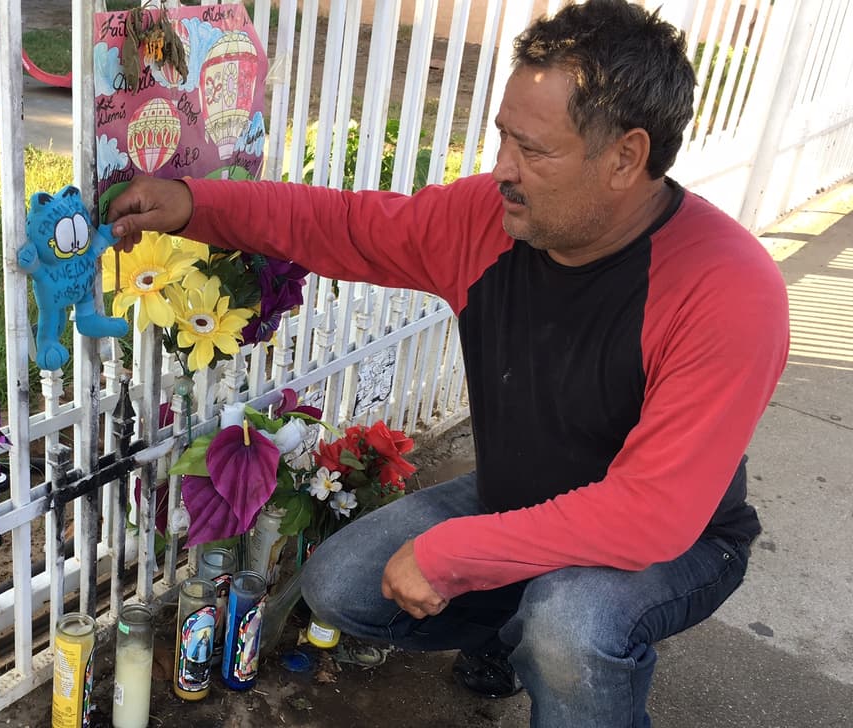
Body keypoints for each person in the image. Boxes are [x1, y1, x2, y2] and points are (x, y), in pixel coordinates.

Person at [105, 0, 789, 724]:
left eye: (535, 151)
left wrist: (459, 554)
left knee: (570, 627)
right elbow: (344, 226)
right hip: (521, 498)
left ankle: (549, 649)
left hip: (680, 541)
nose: (502, 169)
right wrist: (192, 204)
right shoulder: (488, 222)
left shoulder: (727, 289)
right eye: (503, 138)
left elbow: (649, 512)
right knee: (339, 584)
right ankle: (512, 623)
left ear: (625, 157)